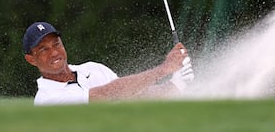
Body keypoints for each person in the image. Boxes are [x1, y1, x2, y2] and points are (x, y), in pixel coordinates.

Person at [23, 22, 194, 106]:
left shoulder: (92, 69)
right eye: (43, 49)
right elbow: (108, 94)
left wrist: (176, 85)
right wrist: (163, 70)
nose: (54, 52)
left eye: (56, 44)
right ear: (31, 59)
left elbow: (132, 97)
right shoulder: (47, 99)